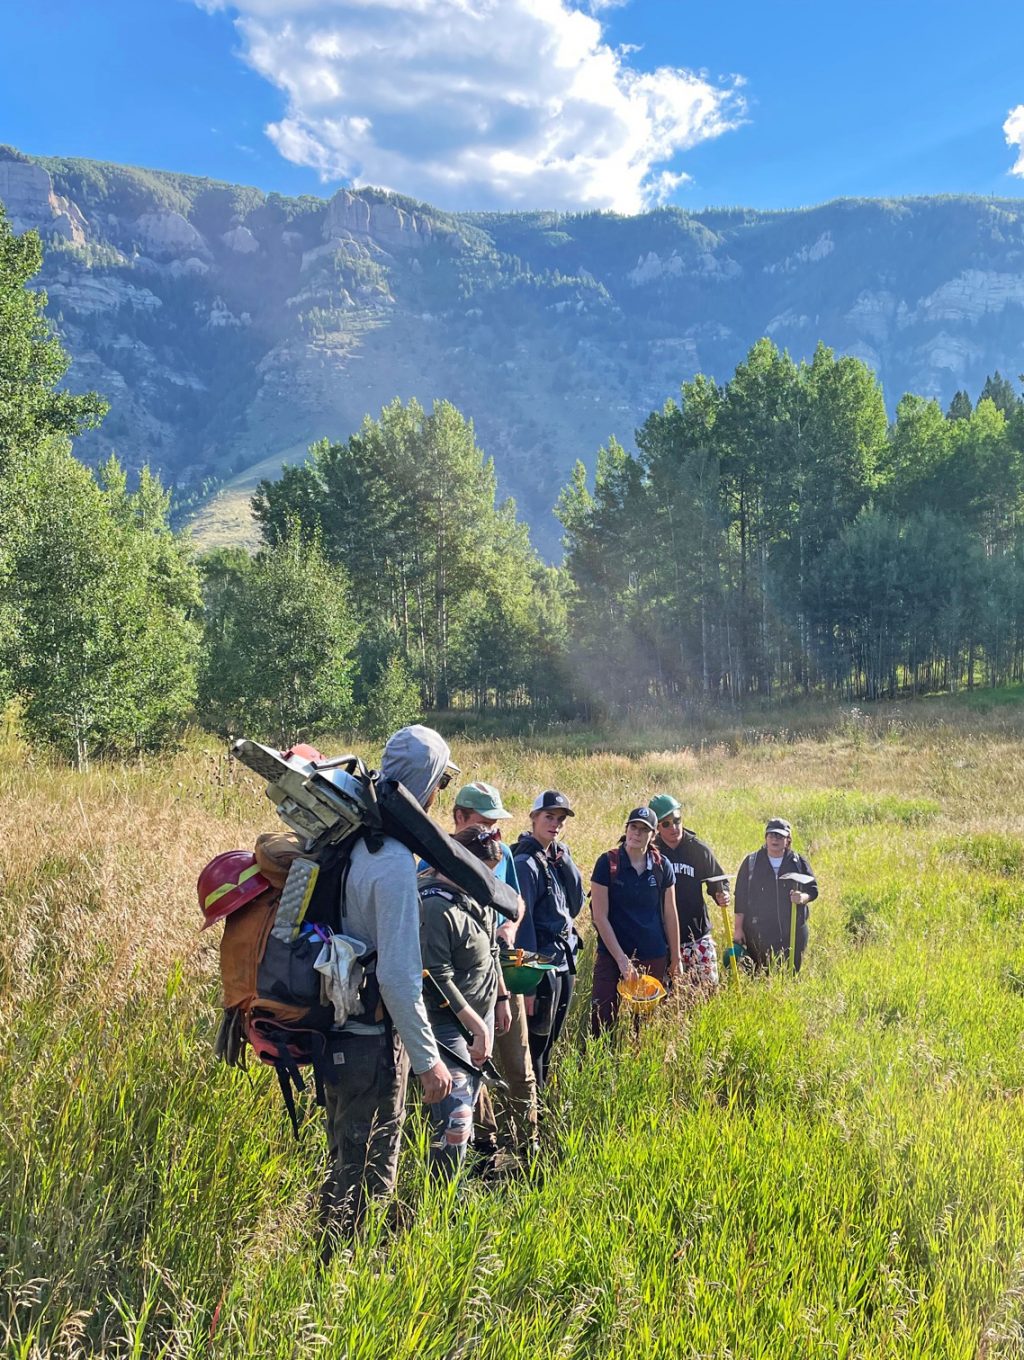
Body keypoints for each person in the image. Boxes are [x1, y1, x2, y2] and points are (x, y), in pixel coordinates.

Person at [319, 724, 456, 1251]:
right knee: (365, 1184)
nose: (438, 797)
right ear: (424, 788)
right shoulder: (395, 863)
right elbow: (398, 979)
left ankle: (331, 1276)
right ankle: (343, 1294)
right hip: (370, 1047)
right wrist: (428, 1061)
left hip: (338, 1039)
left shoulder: (356, 842)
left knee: (342, 1168)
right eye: (438, 785)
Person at [451, 781, 538, 1164]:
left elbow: (515, 902)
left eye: (496, 824)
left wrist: (509, 929)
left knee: (519, 1063)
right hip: (461, 983)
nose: (492, 833)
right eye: (483, 823)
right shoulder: (432, 858)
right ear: (459, 817)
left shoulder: (499, 853)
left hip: (502, 970)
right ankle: (486, 1148)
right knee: (473, 1064)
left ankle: (528, 1145)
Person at [418, 826, 512, 1179]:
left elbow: (491, 952)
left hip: (482, 1013)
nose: (487, 878)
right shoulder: (434, 907)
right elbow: (436, 977)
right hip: (448, 1025)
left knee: (470, 1102)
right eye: (482, 869)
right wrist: (475, 1026)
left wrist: (501, 997)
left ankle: (462, 1183)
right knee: (455, 1118)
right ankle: (441, 1200)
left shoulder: (478, 898)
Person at [512, 791, 584, 1090]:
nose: (555, 824)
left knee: (552, 1038)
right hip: (540, 966)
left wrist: (566, 861)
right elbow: (521, 925)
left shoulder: (555, 859)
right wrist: (527, 983)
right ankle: (534, 1112)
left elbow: (576, 904)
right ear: (533, 818)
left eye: (560, 820)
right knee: (537, 1046)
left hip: (563, 959)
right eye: (549, 817)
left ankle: (544, 1103)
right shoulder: (524, 864)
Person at [589, 807, 682, 1034]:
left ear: (653, 835)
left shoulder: (662, 866)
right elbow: (599, 917)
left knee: (643, 1026)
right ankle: (600, 1067)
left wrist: (676, 957)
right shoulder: (607, 863)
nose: (637, 834)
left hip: (652, 953)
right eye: (633, 827)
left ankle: (636, 1065)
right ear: (626, 829)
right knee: (602, 1021)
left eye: (643, 829)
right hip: (612, 954)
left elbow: (670, 913)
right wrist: (621, 960)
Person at [649, 793, 730, 989]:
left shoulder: (698, 849)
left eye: (677, 820)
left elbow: (717, 880)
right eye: (666, 823)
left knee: (707, 991)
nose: (673, 827)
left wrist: (722, 893)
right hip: (663, 937)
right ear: (656, 827)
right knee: (667, 997)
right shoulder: (651, 852)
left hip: (698, 934)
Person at [732, 817, 818, 973]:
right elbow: (740, 897)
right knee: (762, 973)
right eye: (771, 835)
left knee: (791, 973)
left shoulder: (798, 862)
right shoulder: (752, 862)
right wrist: (738, 928)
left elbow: (813, 890)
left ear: (788, 840)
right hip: (759, 931)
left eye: (779, 836)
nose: (774, 839)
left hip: (793, 930)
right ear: (765, 837)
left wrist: (802, 898)